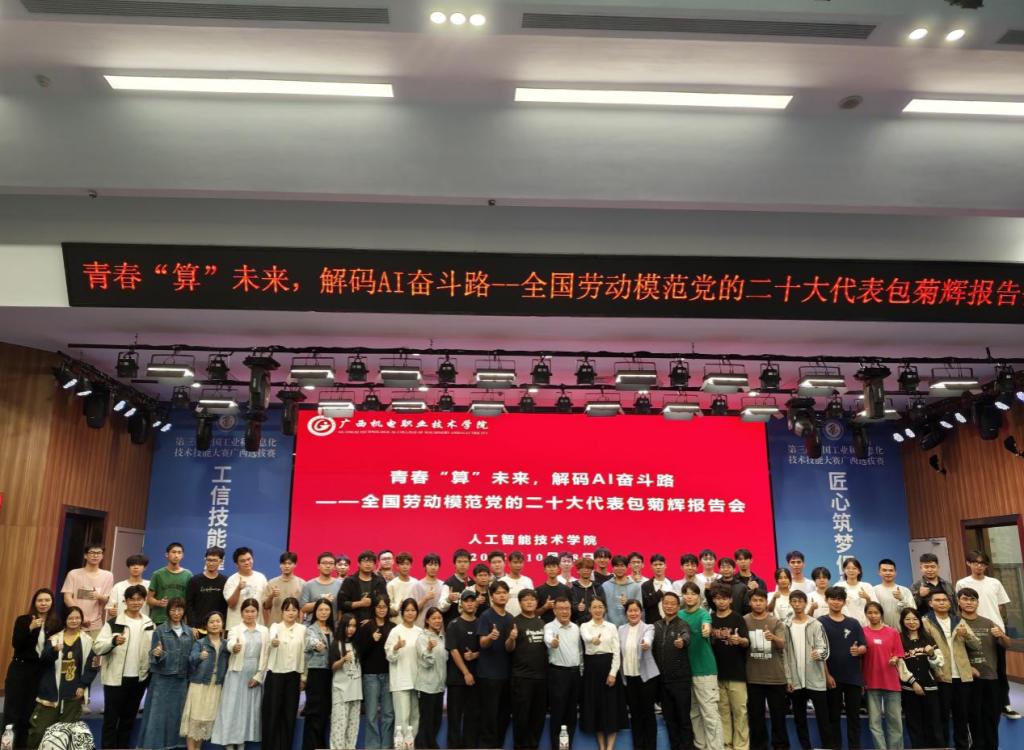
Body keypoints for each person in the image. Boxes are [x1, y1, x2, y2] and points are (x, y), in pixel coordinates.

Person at [955, 549, 1017, 719]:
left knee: (999, 669)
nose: (979, 566)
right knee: (974, 669)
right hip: (971, 631)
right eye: (975, 563)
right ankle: (974, 706)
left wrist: (997, 625)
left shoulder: (994, 582)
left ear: (986, 566)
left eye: (982, 563)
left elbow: (1001, 606)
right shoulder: (962, 583)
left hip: (994, 631)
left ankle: (1004, 704)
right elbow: (959, 606)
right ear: (968, 563)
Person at [94, 584, 155, 749]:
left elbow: (152, 649)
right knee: (110, 720)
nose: (136, 602)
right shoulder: (113, 623)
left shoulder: (149, 623)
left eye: (139, 599)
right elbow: (97, 647)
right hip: (115, 679)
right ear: (125, 601)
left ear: (144, 601)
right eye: (132, 599)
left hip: (139, 678)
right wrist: (113, 641)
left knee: (128, 720)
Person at [27, 607, 97, 749]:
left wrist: (82, 685)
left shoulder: (88, 640)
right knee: (39, 731)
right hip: (51, 693)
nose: (74, 621)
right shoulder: (54, 639)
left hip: (74, 694)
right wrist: (53, 651)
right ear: (65, 620)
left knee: (66, 735)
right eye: (70, 618)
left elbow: (92, 666)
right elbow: (44, 660)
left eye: (77, 618)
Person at [3, 588, 60, 750]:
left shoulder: (55, 624)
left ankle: (23, 746)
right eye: (40, 600)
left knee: (28, 713)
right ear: (34, 603)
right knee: (12, 712)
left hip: (39, 672)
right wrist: (30, 628)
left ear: (52, 603)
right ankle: (7, 746)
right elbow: (17, 644)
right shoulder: (23, 620)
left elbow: (51, 653)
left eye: (47, 600)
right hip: (20, 669)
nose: (43, 603)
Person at [921, 589, 977, 750]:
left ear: (949, 602)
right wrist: (936, 672)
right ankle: (943, 747)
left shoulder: (958, 620)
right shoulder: (926, 622)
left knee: (962, 717)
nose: (942, 602)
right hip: (941, 676)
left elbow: (976, 645)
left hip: (962, 677)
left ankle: (962, 746)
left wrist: (967, 635)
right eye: (937, 600)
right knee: (942, 717)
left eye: (944, 600)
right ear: (930, 603)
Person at [211, 598, 269, 750]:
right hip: (236, 673)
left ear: (257, 612)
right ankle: (229, 744)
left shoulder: (264, 631)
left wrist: (258, 676)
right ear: (242, 613)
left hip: (254, 675)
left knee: (247, 711)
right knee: (232, 709)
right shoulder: (235, 629)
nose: (250, 614)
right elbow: (230, 643)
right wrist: (234, 647)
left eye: (253, 611)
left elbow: (265, 655)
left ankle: (241, 743)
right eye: (247, 611)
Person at [138, 597, 193, 750]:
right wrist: (157, 653)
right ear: (168, 611)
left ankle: (174, 746)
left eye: (179, 609)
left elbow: (191, 658)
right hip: (161, 679)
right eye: (173, 609)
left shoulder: (189, 632)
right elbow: (152, 656)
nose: (176, 613)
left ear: (184, 611)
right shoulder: (160, 630)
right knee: (158, 716)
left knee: (176, 715)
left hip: (181, 680)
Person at [957, 587, 1008, 750]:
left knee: (992, 718)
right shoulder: (955, 622)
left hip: (990, 677)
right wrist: (968, 667)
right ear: (959, 602)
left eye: (972, 599)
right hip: (968, 679)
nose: (969, 602)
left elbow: (1007, 644)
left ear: (978, 603)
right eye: (965, 599)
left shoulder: (988, 622)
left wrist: (1001, 635)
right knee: (974, 718)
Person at [782, 590, 831, 750]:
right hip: (796, 681)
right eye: (794, 601)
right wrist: (788, 679)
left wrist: (819, 653)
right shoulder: (785, 625)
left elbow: (825, 649)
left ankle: (827, 747)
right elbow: (784, 654)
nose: (797, 604)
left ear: (805, 603)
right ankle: (806, 747)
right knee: (799, 720)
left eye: (800, 601)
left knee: (823, 718)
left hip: (815, 679)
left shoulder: (816, 624)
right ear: (790, 603)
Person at [819, 586, 866, 750]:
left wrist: (859, 650)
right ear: (826, 600)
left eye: (839, 599)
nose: (836, 602)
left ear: (844, 602)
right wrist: (827, 675)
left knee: (854, 717)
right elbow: (820, 652)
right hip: (832, 677)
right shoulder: (820, 622)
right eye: (833, 599)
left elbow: (864, 646)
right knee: (834, 717)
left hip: (853, 677)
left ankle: (855, 747)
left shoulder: (853, 623)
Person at [677, 581, 722, 750]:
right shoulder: (679, 615)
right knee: (694, 714)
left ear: (699, 596)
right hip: (686, 673)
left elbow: (706, 624)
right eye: (686, 593)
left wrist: (706, 629)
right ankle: (700, 746)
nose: (689, 597)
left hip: (705, 672)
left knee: (710, 715)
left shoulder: (704, 614)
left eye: (693, 593)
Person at [579, 597, 628, 750]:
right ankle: (601, 746)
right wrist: (593, 640)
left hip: (609, 667)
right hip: (591, 670)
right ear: (589, 609)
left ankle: (610, 747)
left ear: (605, 609)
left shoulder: (612, 627)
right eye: (594, 607)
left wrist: (613, 673)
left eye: (600, 607)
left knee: (611, 708)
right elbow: (586, 637)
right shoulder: (584, 626)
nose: (598, 610)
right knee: (596, 708)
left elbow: (616, 651)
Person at [743, 589, 788, 750]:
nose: (758, 603)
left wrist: (773, 637)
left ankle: (780, 747)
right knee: (756, 719)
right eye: (755, 600)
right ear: (750, 603)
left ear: (766, 602)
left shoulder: (775, 622)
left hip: (776, 678)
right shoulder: (744, 620)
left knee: (779, 718)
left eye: (761, 600)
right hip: (753, 678)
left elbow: (783, 644)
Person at [180, 611, 229, 750]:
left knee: (204, 722)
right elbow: (191, 660)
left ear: (222, 624)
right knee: (194, 720)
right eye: (211, 622)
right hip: (199, 685)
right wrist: (199, 656)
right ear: (206, 626)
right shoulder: (200, 643)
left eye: (218, 621)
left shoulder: (226, 645)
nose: (215, 624)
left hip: (215, 686)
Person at [651, 591, 694, 750]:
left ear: (678, 606)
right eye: (666, 603)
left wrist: (682, 641)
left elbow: (686, 636)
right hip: (662, 681)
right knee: (669, 720)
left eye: (672, 603)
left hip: (680, 680)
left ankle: (687, 747)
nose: (669, 606)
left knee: (684, 719)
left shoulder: (682, 624)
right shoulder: (656, 625)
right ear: (662, 605)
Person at [710, 583, 750, 750]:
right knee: (723, 713)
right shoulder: (710, 619)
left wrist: (739, 640)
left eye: (724, 598)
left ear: (731, 600)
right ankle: (726, 745)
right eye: (718, 598)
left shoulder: (738, 618)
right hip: (716, 674)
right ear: (713, 600)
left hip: (737, 674)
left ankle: (741, 746)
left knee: (740, 712)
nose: (721, 602)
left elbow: (747, 642)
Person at [861, 601, 905, 750]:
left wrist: (895, 659)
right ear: (866, 614)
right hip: (871, 681)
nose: (873, 615)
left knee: (895, 721)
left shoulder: (892, 632)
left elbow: (899, 653)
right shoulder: (862, 632)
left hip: (891, 681)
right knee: (874, 722)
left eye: (876, 612)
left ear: (881, 614)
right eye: (870, 613)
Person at [898, 608, 943, 750]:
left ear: (920, 620)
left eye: (915, 619)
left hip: (930, 687)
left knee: (933, 722)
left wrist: (932, 655)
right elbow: (900, 665)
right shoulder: (899, 639)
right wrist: (913, 683)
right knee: (914, 723)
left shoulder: (928, 638)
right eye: (907, 619)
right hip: (909, 688)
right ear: (902, 621)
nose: (911, 622)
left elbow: (939, 663)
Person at [353, 595, 395, 749]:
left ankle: (386, 745)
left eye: (384, 607)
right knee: (371, 714)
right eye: (379, 607)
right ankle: (372, 746)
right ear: (374, 608)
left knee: (388, 714)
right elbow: (360, 652)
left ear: (388, 608)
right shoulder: (366, 626)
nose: (382, 610)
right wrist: (371, 640)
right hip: (370, 675)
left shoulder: (393, 627)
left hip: (388, 674)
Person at [509, 590, 548, 750]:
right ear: (520, 603)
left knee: (538, 717)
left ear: (537, 602)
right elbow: (508, 648)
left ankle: (534, 746)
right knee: (521, 717)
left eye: (532, 599)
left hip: (541, 677)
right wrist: (511, 638)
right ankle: (520, 746)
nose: (530, 602)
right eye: (526, 600)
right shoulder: (514, 622)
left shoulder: (542, 623)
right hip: (522, 677)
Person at [477, 580, 514, 748]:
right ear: (492, 596)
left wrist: (511, 639)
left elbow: (509, 648)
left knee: (504, 714)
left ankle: (498, 745)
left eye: (504, 592)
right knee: (488, 715)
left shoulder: (510, 617)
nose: (502, 595)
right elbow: (482, 643)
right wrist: (490, 637)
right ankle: (487, 746)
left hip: (506, 673)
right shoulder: (486, 616)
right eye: (498, 593)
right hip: (488, 674)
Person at [620, 599, 659, 750]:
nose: (633, 613)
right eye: (630, 611)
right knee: (635, 715)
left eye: (636, 610)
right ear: (626, 613)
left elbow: (648, 639)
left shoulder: (648, 627)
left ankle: (650, 747)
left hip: (646, 677)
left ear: (641, 612)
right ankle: (638, 746)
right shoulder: (621, 629)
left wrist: (646, 643)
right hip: (629, 678)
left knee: (648, 714)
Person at [545, 597, 583, 750]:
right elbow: (548, 639)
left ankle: (566, 747)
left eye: (567, 608)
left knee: (571, 715)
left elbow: (579, 651)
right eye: (560, 609)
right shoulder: (549, 627)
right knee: (558, 714)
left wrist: (581, 671)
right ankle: (557, 748)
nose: (564, 611)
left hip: (575, 674)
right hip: (558, 675)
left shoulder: (576, 628)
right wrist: (553, 643)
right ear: (554, 611)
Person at [446, 590, 482, 749]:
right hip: (456, 678)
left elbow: (486, 648)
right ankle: (454, 746)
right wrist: (466, 673)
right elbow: (453, 650)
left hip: (477, 677)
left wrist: (475, 655)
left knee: (473, 715)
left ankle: (470, 745)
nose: (470, 603)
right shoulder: (453, 624)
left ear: (476, 603)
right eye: (466, 600)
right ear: (461, 603)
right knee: (454, 716)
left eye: (472, 600)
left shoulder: (481, 623)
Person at [385, 598, 423, 739]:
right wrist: (396, 647)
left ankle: (411, 745)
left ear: (417, 612)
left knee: (415, 717)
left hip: (417, 681)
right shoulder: (395, 631)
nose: (410, 613)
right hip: (400, 681)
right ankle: (400, 746)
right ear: (402, 612)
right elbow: (389, 656)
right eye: (407, 610)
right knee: (402, 720)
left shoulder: (420, 631)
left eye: (413, 610)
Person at [303, 598, 336, 750]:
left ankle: (321, 745)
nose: (324, 613)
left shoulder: (333, 629)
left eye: (327, 609)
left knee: (325, 712)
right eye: (320, 610)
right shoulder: (310, 629)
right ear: (315, 612)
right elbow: (310, 642)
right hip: (316, 673)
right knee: (314, 711)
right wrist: (317, 644)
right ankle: (311, 746)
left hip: (331, 674)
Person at [61, 543, 114, 637]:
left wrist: (99, 596)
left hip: (95, 625)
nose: (95, 555)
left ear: (102, 556)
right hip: (74, 622)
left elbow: (108, 600)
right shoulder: (73, 574)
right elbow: (67, 598)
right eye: (92, 552)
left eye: (99, 553)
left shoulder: (108, 575)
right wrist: (79, 616)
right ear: (85, 555)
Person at [415, 607, 447, 749]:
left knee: (436, 721)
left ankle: (429, 745)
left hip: (439, 687)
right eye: (433, 618)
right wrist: (428, 649)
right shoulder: (422, 638)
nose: (437, 621)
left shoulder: (441, 637)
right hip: (426, 686)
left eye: (439, 618)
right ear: (427, 620)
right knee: (426, 722)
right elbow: (426, 663)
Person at [329, 614, 362, 750]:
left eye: (354, 626)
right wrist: (342, 660)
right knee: (339, 725)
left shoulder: (357, 644)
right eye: (348, 626)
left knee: (353, 726)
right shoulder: (336, 644)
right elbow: (332, 666)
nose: (351, 629)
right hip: (341, 690)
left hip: (356, 691)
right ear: (343, 626)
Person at [149, 542, 192, 627]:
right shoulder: (157, 574)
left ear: (182, 555)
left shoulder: (188, 575)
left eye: (179, 553)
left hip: (180, 619)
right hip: (160, 619)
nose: (176, 555)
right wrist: (158, 602)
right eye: (173, 552)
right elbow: (149, 599)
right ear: (167, 554)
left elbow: (189, 601)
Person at [224, 547, 268, 629]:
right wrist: (238, 589)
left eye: (249, 559)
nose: (247, 562)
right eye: (242, 561)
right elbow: (231, 604)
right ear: (237, 564)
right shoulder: (231, 580)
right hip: (236, 627)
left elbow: (265, 605)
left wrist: (265, 626)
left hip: (257, 627)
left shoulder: (261, 578)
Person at [185, 547, 227, 633]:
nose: (211, 563)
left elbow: (226, 606)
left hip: (217, 627)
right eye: (209, 560)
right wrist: (192, 626)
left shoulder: (225, 581)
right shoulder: (194, 580)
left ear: (221, 561)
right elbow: (189, 605)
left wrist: (223, 625)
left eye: (214, 560)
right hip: (198, 629)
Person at [340, 550, 388, 625]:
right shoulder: (349, 581)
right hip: (352, 625)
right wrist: (360, 603)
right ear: (358, 564)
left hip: (375, 623)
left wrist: (373, 620)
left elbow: (385, 602)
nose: (368, 564)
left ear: (374, 565)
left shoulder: (380, 581)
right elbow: (342, 603)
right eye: (365, 561)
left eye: (371, 562)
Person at [265, 551, 304, 625]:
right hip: (275, 624)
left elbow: (304, 608)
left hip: (295, 626)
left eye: (289, 563)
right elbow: (266, 606)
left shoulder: (302, 584)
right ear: (280, 565)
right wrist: (271, 596)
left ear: (295, 565)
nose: (286, 566)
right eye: (284, 563)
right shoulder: (272, 583)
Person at [873, 559, 915, 630]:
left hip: (903, 631)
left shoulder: (905, 590)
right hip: (880, 631)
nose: (888, 573)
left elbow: (913, 611)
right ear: (879, 572)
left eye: (891, 570)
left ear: (895, 573)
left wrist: (902, 599)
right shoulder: (873, 590)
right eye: (884, 570)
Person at [301, 552, 342, 622]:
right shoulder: (308, 585)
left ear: (335, 567)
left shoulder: (340, 585)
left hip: (332, 626)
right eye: (324, 563)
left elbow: (341, 609)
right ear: (318, 566)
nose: (328, 566)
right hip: (312, 626)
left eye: (331, 563)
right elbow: (303, 608)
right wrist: (322, 601)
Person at [913, 552, 955, 619]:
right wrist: (919, 595)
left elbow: (955, 605)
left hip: (948, 620)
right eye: (926, 567)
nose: (930, 570)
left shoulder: (948, 585)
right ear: (921, 568)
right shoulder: (916, 586)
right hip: (925, 622)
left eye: (933, 567)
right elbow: (911, 607)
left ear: (938, 567)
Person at [602, 555, 642, 627]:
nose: (619, 568)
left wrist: (628, 603)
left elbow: (640, 609)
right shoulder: (605, 586)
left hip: (630, 627)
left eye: (622, 566)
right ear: (612, 568)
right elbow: (603, 609)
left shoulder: (635, 587)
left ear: (627, 567)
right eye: (617, 566)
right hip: (609, 628)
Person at [108, 553, 151, 618]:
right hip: (122, 622)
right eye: (132, 565)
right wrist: (111, 611)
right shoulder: (118, 586)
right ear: (128, 567)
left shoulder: (150, 585)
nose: (136, 567)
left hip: (143, 622)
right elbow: (111, 607)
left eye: (139, 565)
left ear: (145, 568)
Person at [837, 558, 876, 626]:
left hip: (865, 624)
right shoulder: (839, 586)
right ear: (844, 570)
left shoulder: (867, 586)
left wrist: (868, 598)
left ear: (859, 571)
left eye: (854, 568)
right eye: (848, 568)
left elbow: (876, 607)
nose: (851, 570)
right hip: (844, 624)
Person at [413, 553, 447, 627]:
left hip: (439, 627)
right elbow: (412, 609)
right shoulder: (417, 585)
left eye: (436, 565)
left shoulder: (443, 585)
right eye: (430, 564)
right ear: (424, 567)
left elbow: (445, 608)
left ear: (439, 567)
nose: (433, 567)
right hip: (421, 626)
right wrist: (425, 598)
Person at [441, 548, 472, 627]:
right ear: (454, 564)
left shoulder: (473, 583)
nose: (462, 564)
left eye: (465, 562)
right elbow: (441, 608)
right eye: (459, 562)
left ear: (469, 563)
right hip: (453, 626)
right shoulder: (448, 583)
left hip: (471, 626)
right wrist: (449, 599)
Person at [570, 557, 607, 625]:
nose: (586, 570)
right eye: (583, 568)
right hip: (576, 625)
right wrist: (576, 607)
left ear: (592, 570)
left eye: (589, 568)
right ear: (578, 570)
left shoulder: (598, 587)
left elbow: (604, 606)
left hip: (595, 624)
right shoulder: (572, 587)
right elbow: (566, 606)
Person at [536, 555, 571, 624]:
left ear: (558, 569)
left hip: (563, 626)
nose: (551, 569)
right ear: (544, 570)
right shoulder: (538, 590)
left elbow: (570, 610)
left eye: (554, 566)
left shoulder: (566, 589)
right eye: (549, 567)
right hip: (545, 626)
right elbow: (534, 614)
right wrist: (545, 607)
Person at [386, 553, 420, 624]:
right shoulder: (391, 584)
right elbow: (387, 604)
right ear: (397, 566)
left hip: (414, 622)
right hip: (396, 622)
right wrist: (398, 606)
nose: (405, 567)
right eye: (402, 564)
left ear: (411, 566)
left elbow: (419, 603)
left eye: (407, 564)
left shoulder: (416, 583)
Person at [641, 553, 675, 622]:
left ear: (665, 566)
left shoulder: (673, 583)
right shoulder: (646, 585)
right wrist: (660, 593)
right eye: (655, 565)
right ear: (651, 567)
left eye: (660, 564)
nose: (658, 567)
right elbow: (645, 604)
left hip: (672, 621)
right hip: (653, 623)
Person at [501, 551, 535, 617]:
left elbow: (532, 601)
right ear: (509, 563)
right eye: (515, 562)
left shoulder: (528, 581)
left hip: (524, 618)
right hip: (506, 618)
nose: (518, 565)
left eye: (520, 562)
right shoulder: (502, 581)